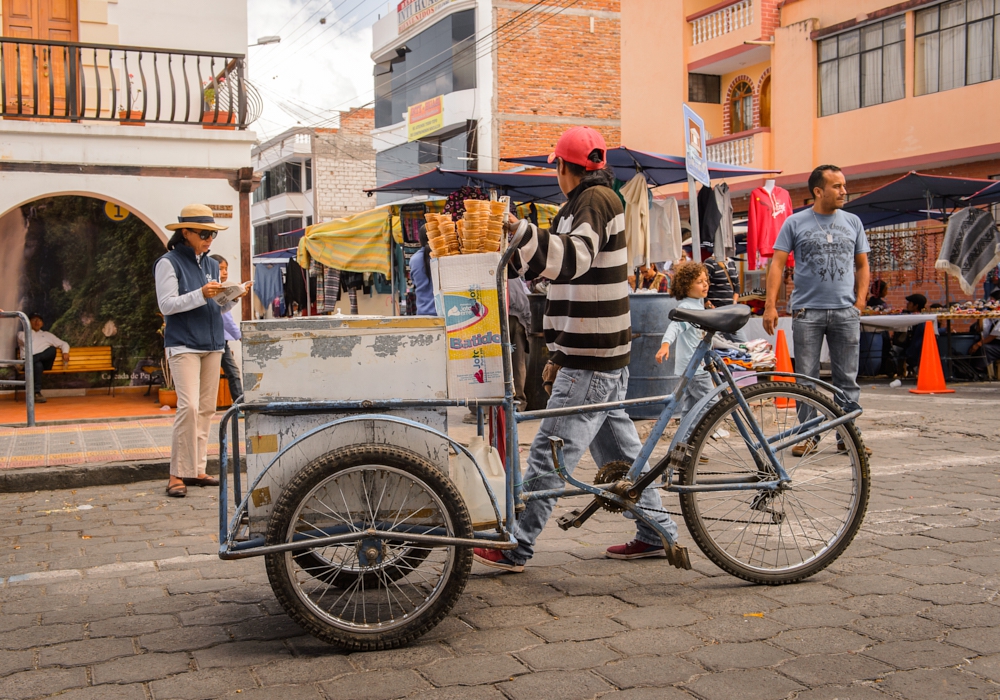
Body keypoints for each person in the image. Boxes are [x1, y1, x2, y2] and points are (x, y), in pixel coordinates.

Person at [472, 126, 678, 572]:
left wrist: (518, 227)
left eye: (557, 168)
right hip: (594, 353)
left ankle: (516, 545)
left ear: (565, 168)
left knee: (551, 449)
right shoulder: (580, 205)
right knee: (622, 454)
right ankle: (657, 531)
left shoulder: (595, 202)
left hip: (592, 357)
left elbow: (574, 257)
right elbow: (555, 271)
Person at [763, 165, 871, 457]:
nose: (844, 191)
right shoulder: (794, 223)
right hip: (807, 312)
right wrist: (770, 306)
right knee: (806, 378)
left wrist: (859, 302)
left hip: (845, 312)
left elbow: (862, 264)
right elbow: (777, 264)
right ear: (818, 191)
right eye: (837, 186)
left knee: (847, 377)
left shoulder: (853, 222)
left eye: (844, 185)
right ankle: (809, 434)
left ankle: (848, 435)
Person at [155, 204, 251, 498]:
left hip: (212, 343)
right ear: (185, 232)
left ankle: (196, 469)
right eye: (205, 233)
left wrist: (233, 297)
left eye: (213, 234)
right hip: (183, 343)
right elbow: (167, 305)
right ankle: (175, 474)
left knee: (207, 409)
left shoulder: (210, 264)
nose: (210, 238)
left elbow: (216, 306)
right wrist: (201, 294)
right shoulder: (168, 263)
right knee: (189, 407)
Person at [655, 262, 715, 419]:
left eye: (705, 280)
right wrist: (665, 345)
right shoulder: (688, 308)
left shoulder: (697, 306)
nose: (705, 285)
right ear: (686, 287)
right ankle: (692, 435)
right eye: (699, 282)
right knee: (711, 402)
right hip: (696, 367)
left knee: (691, 405)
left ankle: (684, 440)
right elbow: (674, 327)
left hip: (693, 366)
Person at [209, 254, 244, 402]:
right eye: (221, 269)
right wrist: (239, 335)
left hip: (220, 339)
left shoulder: (222, 289)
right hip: (216, 339)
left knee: (231, 372)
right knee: (232, 372)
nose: (225, 272)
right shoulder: (214, 290)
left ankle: (239, 404)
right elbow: (225, 318)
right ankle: (240, 404)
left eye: (226, 269)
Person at [16, 313, 69, 403]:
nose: (37, 322)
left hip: (42, 363)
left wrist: (65, 352)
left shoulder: (47, 335)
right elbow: (25, 340)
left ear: (42, 323)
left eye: (39, 320)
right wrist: (30, 330)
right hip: (32, 365)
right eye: (33, 320)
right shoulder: (21, 334)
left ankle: (29, 361)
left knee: (52, 350)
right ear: (28, 322)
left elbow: (64, 343)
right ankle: (37, 393)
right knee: (37, 365)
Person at [891, 293, 928, 377]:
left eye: (910, 303)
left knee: (896, 348)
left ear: (916, 305)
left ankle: (901, 368)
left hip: (912, 350)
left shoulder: (915, 318)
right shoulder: (920, 317)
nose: (907, 304)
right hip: (912, 348)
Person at [409, 225, 436, 316]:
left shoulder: (414, 260)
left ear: (420, 241)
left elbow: (414, 282)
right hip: (444, 315)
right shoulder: (443, 256)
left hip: (423, 315)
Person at [971, 289, 1000, 373]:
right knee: (976, 343)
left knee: (984, 348)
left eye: (992, 301)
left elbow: (993, 335)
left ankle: (979, 370)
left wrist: (979, 344)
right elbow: (980, 329)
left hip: (998, 343)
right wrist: (980, 317)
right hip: (993, 342)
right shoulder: (990, 315)